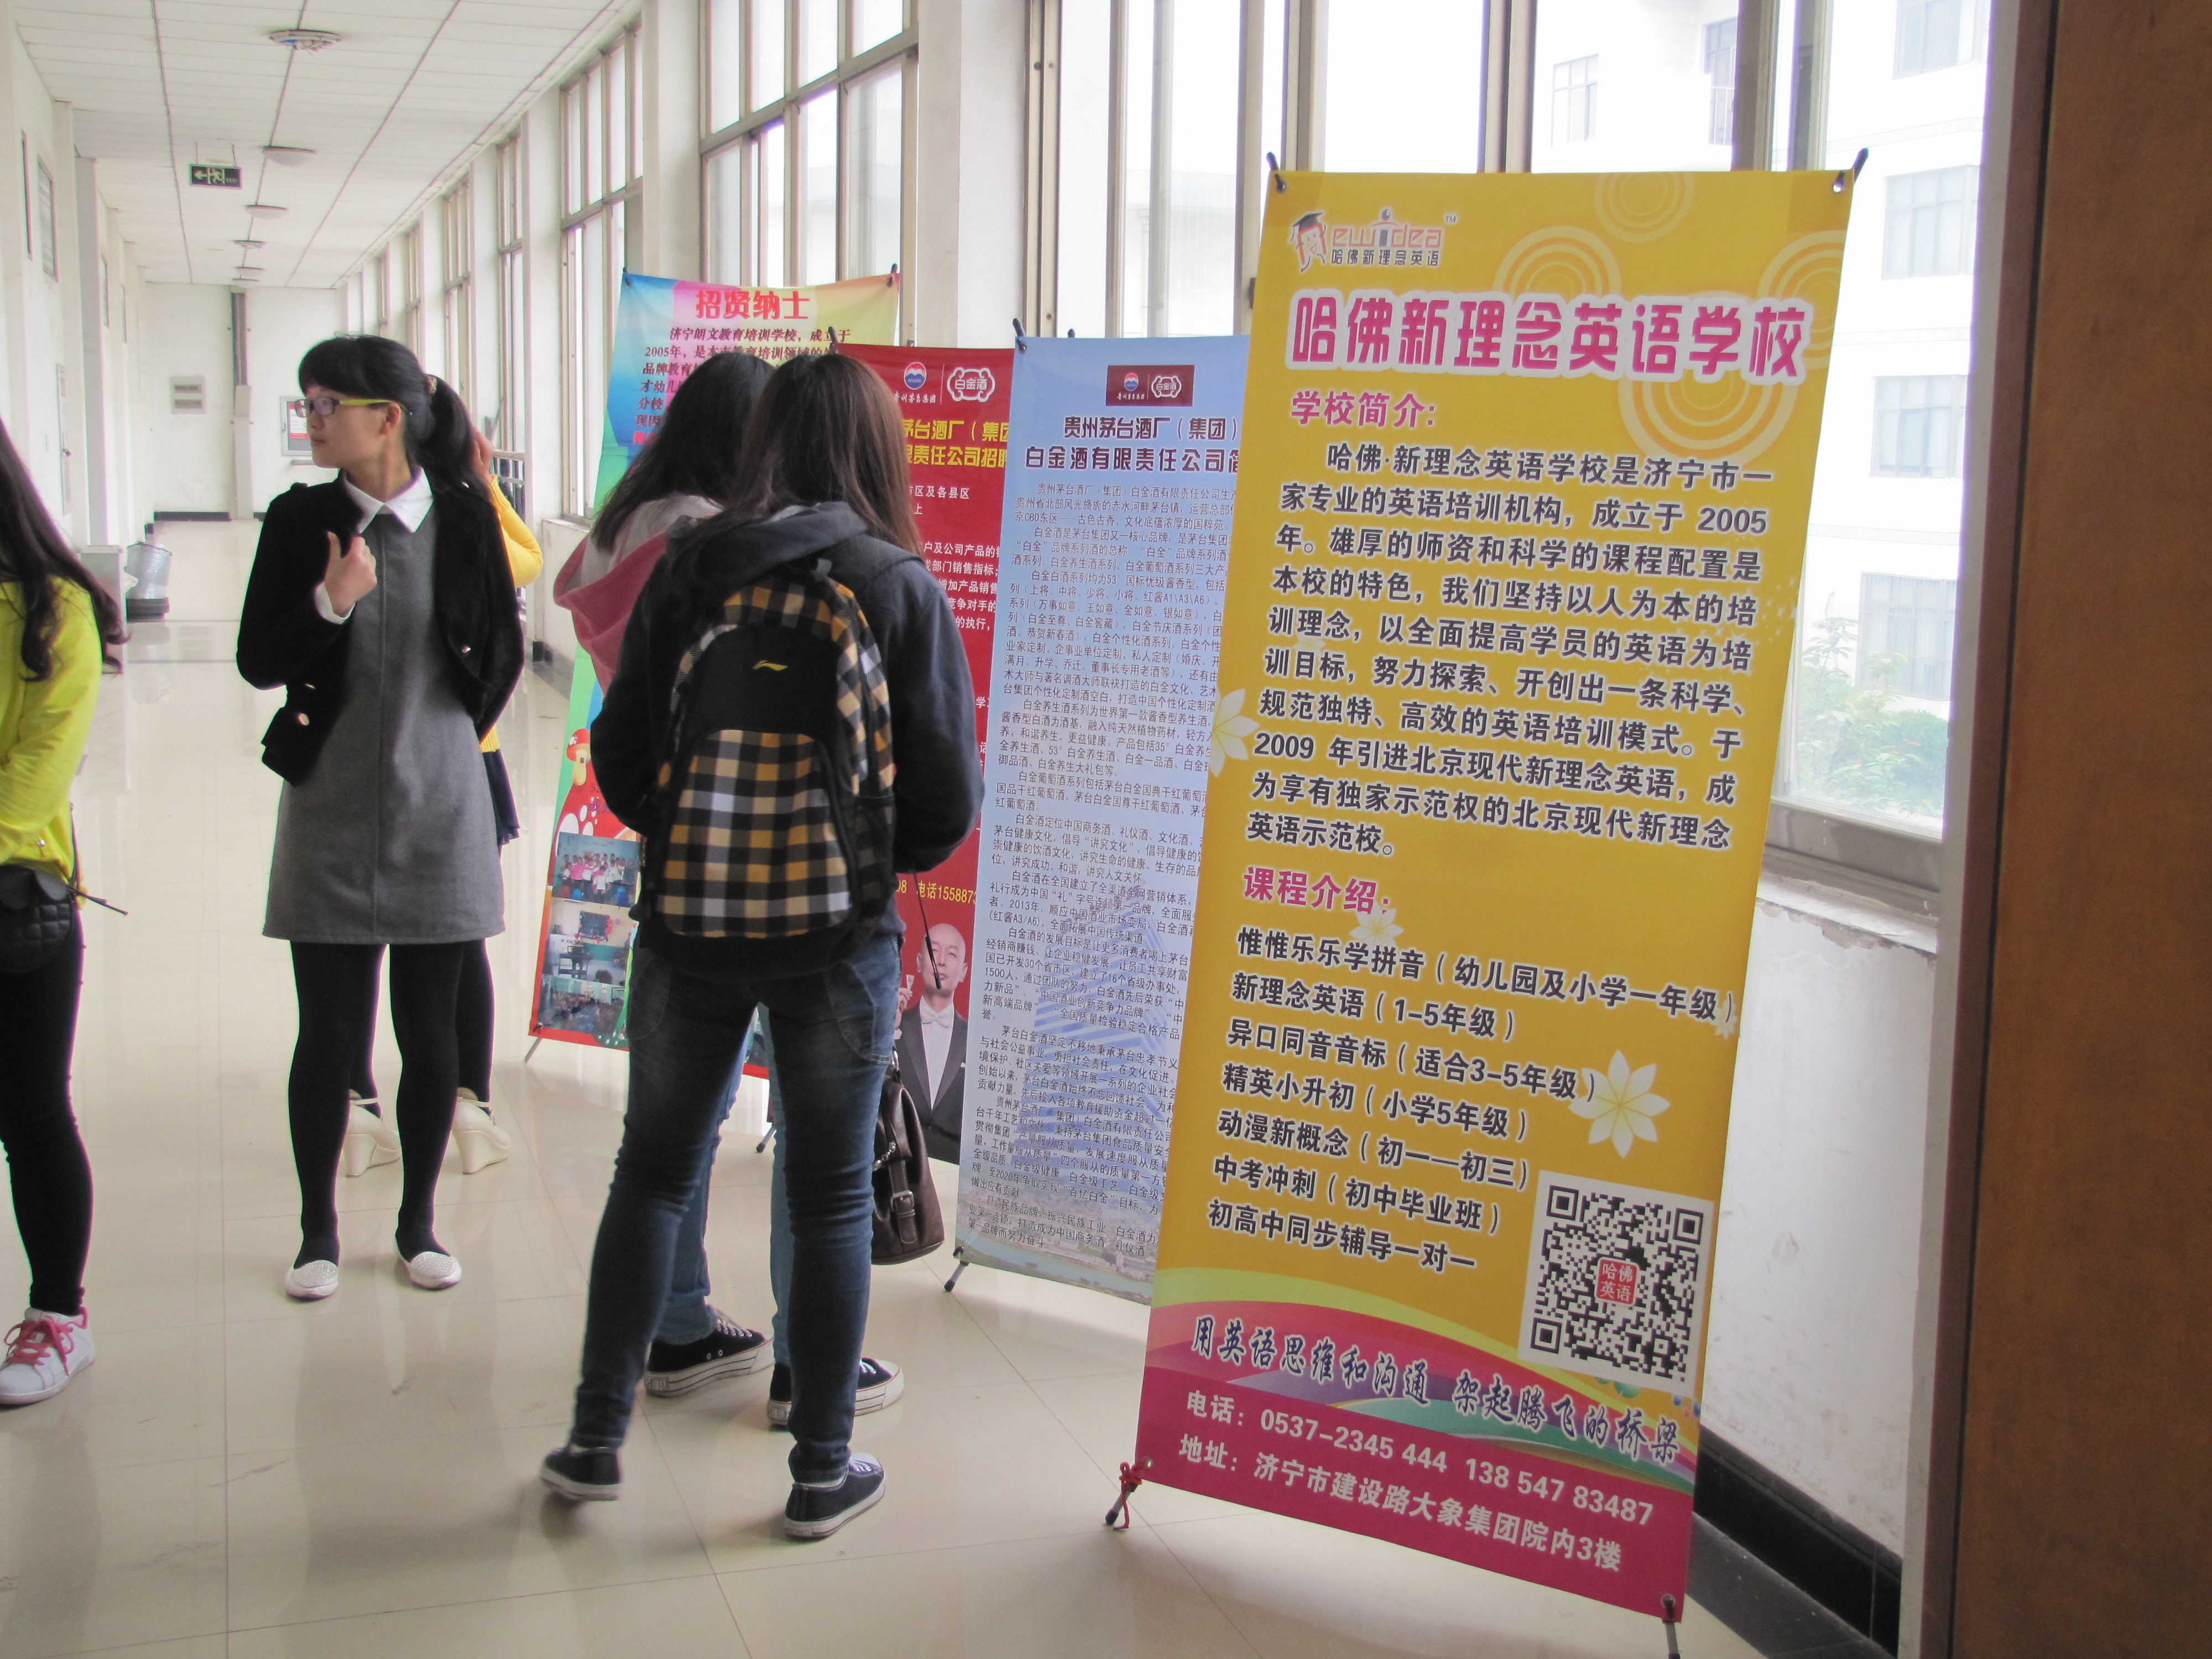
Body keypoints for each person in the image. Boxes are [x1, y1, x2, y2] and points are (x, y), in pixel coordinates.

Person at [542, 352, 979, 1542]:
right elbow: (947, 799)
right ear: (878, 451)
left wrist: (702, 839)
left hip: (689, 926)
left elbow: (622, 761)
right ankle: (819, 1470)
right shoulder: (895, 584)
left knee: (652, 1170)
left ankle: (594, 1437)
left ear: (761, 440)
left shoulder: (689, 569)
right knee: (829, 1195)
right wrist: (858, 861)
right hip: (838, 941)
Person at [237, 335, 524, 1301]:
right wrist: (330, 602)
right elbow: (258, 659)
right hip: (328, 807)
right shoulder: (300, 520)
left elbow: (503, 652)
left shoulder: (466, 516)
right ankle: (317, 1233)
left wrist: (446, 741)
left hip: (441, 806)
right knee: (328, 1034)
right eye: (308, 404)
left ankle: (417, 1225)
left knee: (430, 1033)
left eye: (327, 404)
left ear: (387, 418)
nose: (312, 420)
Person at [342, 427, 541, 1180]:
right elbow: (527, 560)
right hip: (465, 759)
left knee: (358, 944)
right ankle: (468, 1105)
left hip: (375, 761)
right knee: (459, 945)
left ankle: (357, 1106)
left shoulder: (364, 524)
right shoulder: (466, 522)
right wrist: (485, 483)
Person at [0, 417, 125, 1405]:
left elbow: (39, 767)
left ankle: (58, 1317)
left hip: (16, 900)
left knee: (32, 1110)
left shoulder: (54, 606)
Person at [896, 921, 969, 1162]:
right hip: (897, 1158)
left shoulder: (974, 1040)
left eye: (952, 954)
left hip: (953, 1164)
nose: (941, 961)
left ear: (964, 971)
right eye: (934, 950)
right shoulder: (895, 1025)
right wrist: (887, 1032)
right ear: (919, 962)